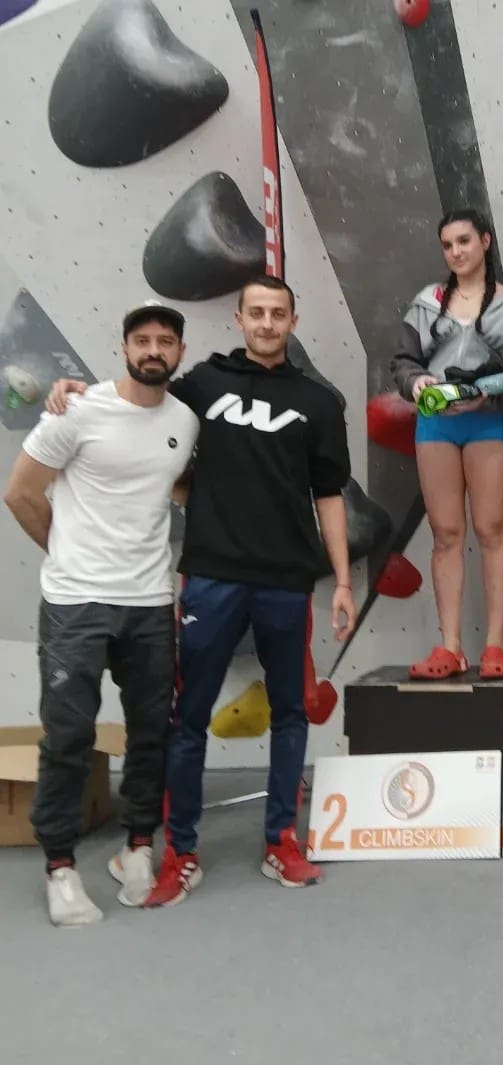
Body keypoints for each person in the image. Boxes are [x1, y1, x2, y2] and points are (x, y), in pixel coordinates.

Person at [45, 275, 357, 906]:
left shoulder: (319, 402)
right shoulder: (201, 386)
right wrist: (77, 391)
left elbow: (328, 494)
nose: (266, 323)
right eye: (256, 312)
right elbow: (140, 398)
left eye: (278, 314)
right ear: (238, 319)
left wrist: (345, 580)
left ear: (292, 322)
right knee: (187, 717)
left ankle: (281, 842)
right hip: (211, 577)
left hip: (286, 581)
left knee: (290, 712)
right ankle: (180, 854)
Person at [4, 301, 198, 926]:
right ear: (124, 348)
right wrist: (67, 556)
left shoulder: (185, 421)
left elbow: (175, 486)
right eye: (142, 340)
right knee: (68, 736)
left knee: (151, 732)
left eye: (165, 341)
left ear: (180, 352)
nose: (153, 351)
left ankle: (137, 847)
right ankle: (60, 866)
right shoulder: (78, 410)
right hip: (77, 604)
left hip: (149, 603)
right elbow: (21, 492)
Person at [390, 209, 503, 679]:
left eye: (464, 241)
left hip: (488, 423)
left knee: (492, 529)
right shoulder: (426, 302)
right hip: (435, 425)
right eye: (448, 245)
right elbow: (403, 361)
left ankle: (495, 646)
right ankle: (450, 646)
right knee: (446, 534)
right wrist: (417, 384)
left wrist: (488, 395)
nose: (456, 252)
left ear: (485, 241)